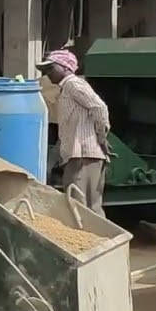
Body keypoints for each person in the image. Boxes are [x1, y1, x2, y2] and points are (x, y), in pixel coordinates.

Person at [36, 49, 110, 215]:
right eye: (45, 71)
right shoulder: (66, 88)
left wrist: (101, 136)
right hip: (76, 155)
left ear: (66, 68)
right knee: (79, 204)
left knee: (84, 206)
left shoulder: (73, 84)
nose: (47, 74)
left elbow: (99, 107)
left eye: (51, 68)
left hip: (84, 154)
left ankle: (94, 238)